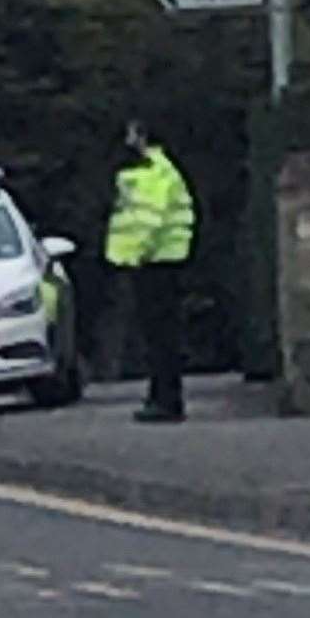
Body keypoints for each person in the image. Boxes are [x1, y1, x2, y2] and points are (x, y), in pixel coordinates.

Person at [104, 118, 196, 423]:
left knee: (160, 336)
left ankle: (167, 401)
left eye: (132, 132)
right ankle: (161, 397)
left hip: (155, 263)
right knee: (159, 335)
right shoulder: (156, 169)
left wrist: (131, 256)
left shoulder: (152, 172)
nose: (127, 139)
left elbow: (148, 220)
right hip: (160, 261)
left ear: (143, 136)